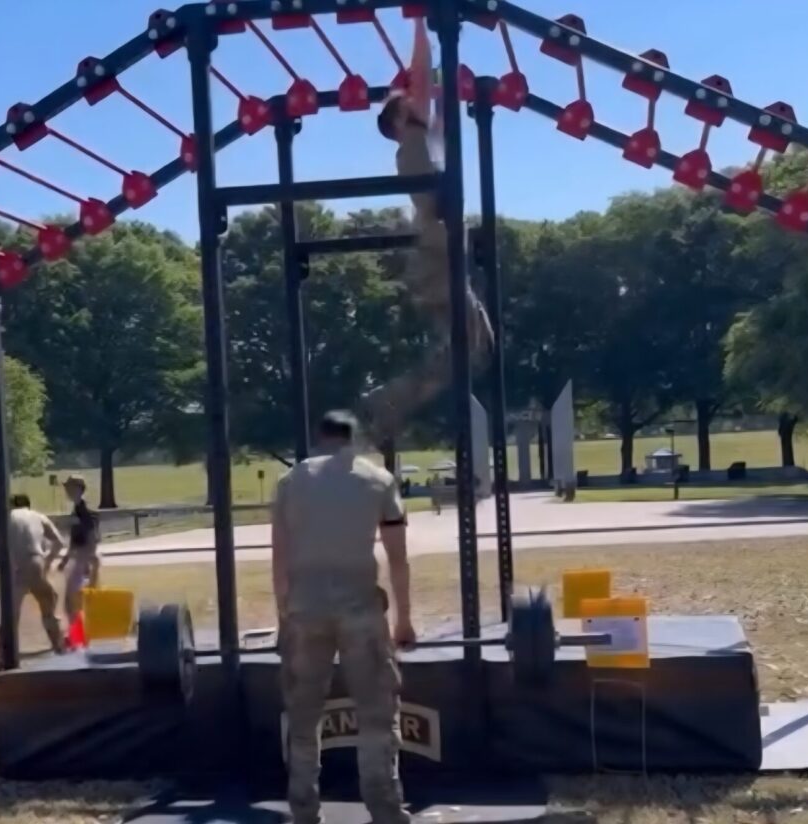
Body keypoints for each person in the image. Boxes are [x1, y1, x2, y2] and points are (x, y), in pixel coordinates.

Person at [272, 411, 415, 824]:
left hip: (304, 609)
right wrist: (404, 618)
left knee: (303, 718)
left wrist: (284, 613)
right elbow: (398, 557)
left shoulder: (291, 482)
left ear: (319, 438)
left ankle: (303, 810)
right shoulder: (377, 479)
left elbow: (280, 555)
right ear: (353, 440)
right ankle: (385, 809)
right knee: (376, 715)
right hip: (360, 610)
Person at [366, 16, 494, 443]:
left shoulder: (419, 142)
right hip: (437, 257)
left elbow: (440, 107)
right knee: (472, 346)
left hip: (438, 254)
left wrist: (442, 55)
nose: (417, 101)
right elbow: (421, 73)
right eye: (409, 104)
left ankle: (392, 398)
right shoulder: (412, 142)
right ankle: (389, 397)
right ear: (400, 121)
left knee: (477, 345)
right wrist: (421, 20)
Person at [0, 494, 66, 668]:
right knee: (49, 609)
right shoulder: (38, 516)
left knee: (10, 616)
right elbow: (59, 542)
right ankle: (59, 649)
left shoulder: (6, 518)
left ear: (12, 505)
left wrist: (5, 573)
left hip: (15, 565)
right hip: (35, 562)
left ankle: (3, 657)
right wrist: (47, 562)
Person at [57, 475, 100, 621]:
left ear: (79, 489)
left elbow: (92, 536)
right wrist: (65, 559)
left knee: (74, 603)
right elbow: (75, 539)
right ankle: (76, 637)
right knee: (72, 603)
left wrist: (88, 561)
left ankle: (78, 638)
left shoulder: (84, 510)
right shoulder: (77, 509)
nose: (66, 490)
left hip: (82, 560)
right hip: (77, 559)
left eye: (69, 487)